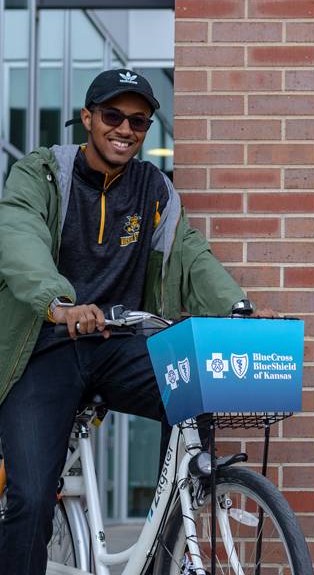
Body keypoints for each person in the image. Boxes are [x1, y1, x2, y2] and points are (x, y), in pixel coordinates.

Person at [0, 68, 276, 575]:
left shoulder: (153, 189)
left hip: (120, 344)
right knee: (31, 495)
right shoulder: (42, 174)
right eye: (112, 116)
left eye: (139, 121)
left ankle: (169, 539)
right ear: (87, 118)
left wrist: (238, 309)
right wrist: (59, 302)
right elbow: (20, 238)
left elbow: (190, 255)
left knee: (196, 391)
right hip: (48, 345)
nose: (125, 129)